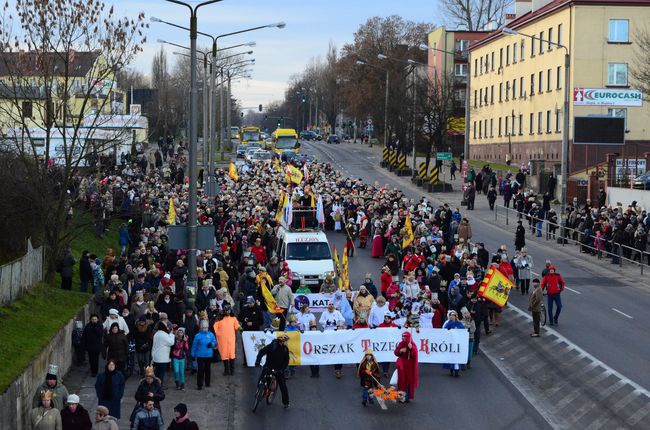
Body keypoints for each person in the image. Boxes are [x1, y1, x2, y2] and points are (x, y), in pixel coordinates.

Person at [255, 333, 291, 409]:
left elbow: (286, 361)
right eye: (286, 341)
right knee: (261, 379)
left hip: (278, 370)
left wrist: (281, 370)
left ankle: (286, 402)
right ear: (282, 341)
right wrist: (257, 361)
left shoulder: (285, 349)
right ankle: (259, 391)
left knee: (283, 386)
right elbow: (261, 352)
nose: (287, 343)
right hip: (268, 367)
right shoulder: (272, 346)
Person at [213, 304, 241, 376]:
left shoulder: (233, 318)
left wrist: (240, 328)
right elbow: (215, 327)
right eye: (226, 310)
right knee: (224, 354)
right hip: (223, 340)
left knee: (232, 354)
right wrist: (219, 334)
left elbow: (237, 325)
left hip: (231, 339)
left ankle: (232, 370)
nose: (228, 312)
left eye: (229, 310)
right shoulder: (220, 318)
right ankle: (226, 370)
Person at [192, 319, 217, 390]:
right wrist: (193, 354)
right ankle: (199, 385)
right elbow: (194, 346)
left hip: (208, 355)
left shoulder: (211, 334)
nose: (205, 329)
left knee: (207, 369)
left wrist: (211, 344)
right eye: (204, 327)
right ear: (201, 328)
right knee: (200, 370)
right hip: (200, 355)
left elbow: (214, 342)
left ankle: (207, 383)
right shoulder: (197, 336)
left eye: (206, 327)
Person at [393, 331, 418, 401]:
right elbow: (396, 352)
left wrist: (411, 348)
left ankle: (407, 397)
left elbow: (414, 353)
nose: (403, 338)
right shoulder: (401, 343)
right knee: (402, 380)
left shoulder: (411, 344)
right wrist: (400, 351)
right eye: (402, 336)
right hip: (402, 365)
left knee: (408, 381)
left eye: (405, 336)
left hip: (409, 365)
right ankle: (401, 397)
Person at [151, 321, 175, 387]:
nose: (167, 327)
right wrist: (171, 334)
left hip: (156, 357)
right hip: (162, 358)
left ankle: (156, 384)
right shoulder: (163, 335)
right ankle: (159, 385)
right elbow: (171, 342)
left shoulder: (157, 334)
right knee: (161, 373)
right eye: (166, 326)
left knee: (157, 372)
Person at [442, 310, 465, 377]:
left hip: (457, 342)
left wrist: (457, 329)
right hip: (450, 342)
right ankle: (451, 369)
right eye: (451, 315)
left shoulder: (459, 323)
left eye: (453, 315)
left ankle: (456, 370)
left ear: (455, 316)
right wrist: (449, 330)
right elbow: (445, 329)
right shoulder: (448, 323)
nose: (452, 317)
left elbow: (462, 330)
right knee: (451, 355)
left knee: (457, 356)